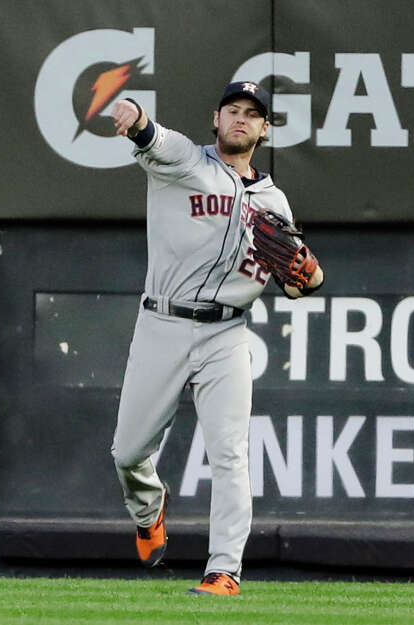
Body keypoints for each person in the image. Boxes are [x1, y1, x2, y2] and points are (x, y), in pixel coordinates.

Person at [107, 81, 325, 596]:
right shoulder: (185, 162)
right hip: (163, 323)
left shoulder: (274, 199)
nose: (241, 119)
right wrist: (134, 116)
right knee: (128, 452)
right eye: (233, 110)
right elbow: (151, 135)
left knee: (229, 454)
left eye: (252, 113)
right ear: (217, 118)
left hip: (228, 331)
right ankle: (148, 509)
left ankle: (224, 571)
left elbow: (300, 280)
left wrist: (312, 274)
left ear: (265, 128)